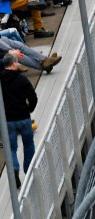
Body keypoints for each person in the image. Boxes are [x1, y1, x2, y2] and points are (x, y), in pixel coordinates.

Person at [0, 52, 38, 189]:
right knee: (28, 144)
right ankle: (29, 170)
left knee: (11, 148)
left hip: (8, 120)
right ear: (14, 63)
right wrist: (30, 109)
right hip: (23, 117)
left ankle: (14, 169)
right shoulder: (22, 79)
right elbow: (33, 97)